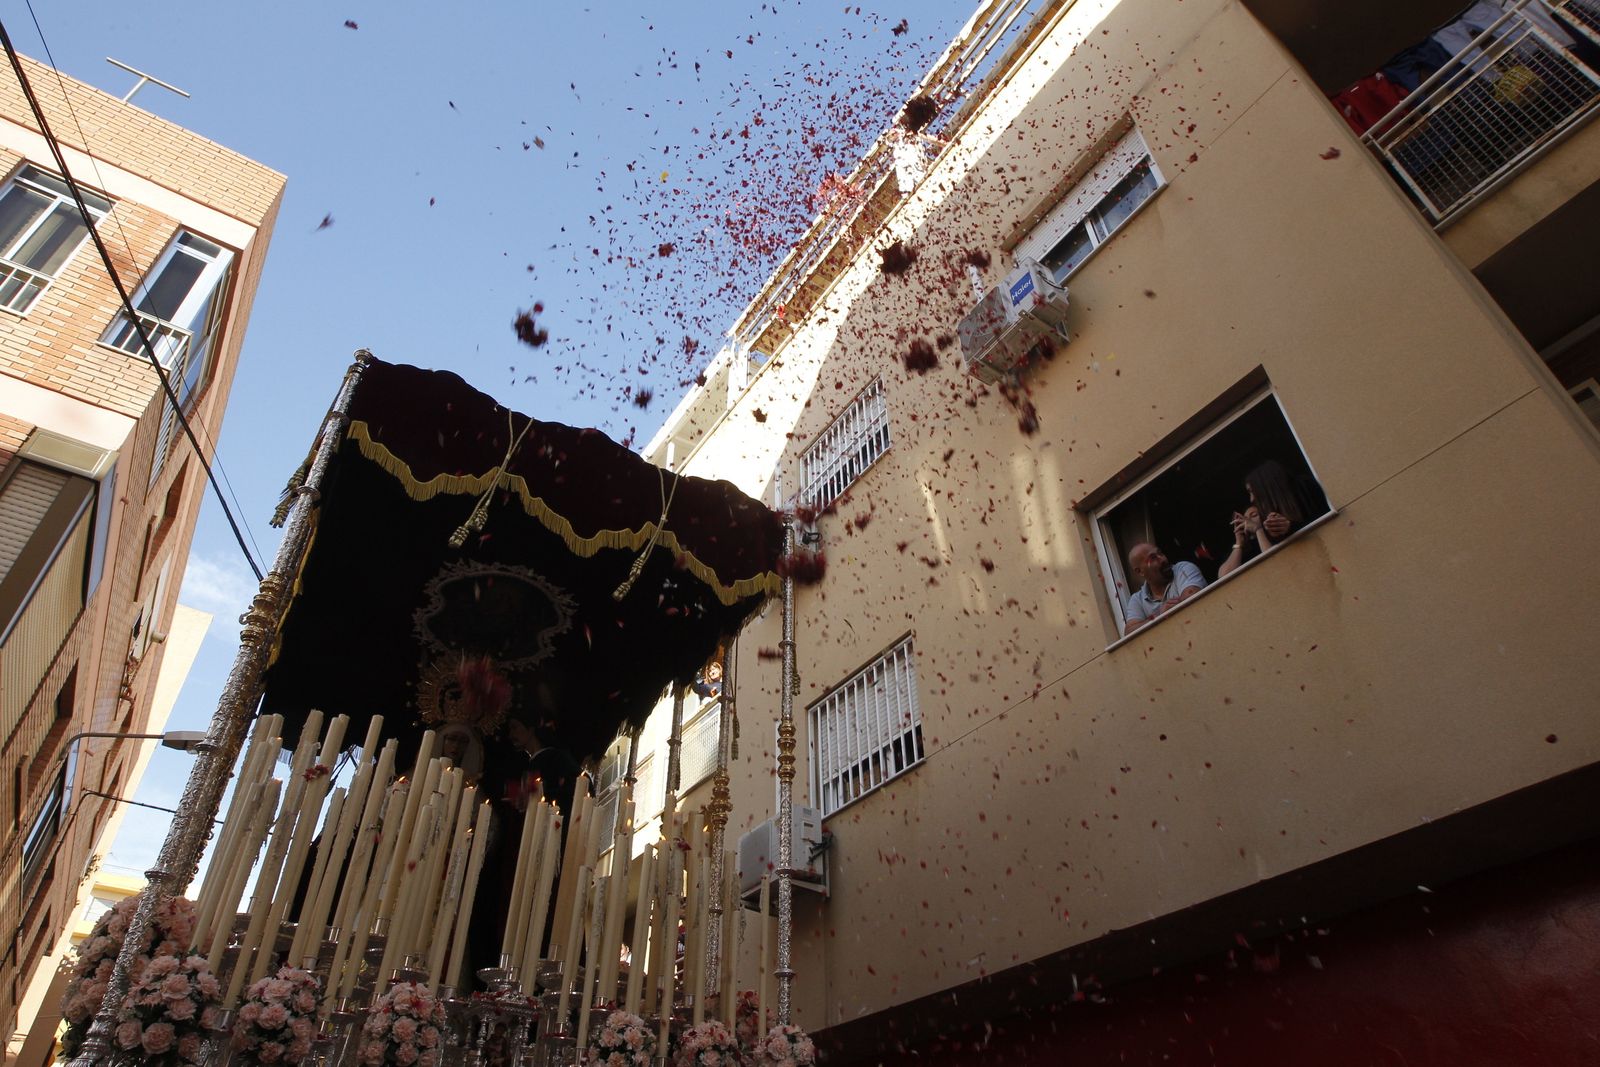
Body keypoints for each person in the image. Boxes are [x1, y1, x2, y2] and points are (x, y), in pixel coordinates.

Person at [1218, 460, 1308, 578]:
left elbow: (1274, 561)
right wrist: (1239, 543)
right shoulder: (1247, 548)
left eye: (1254, 515)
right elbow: (1224, 576)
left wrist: (1259, 529)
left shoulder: (1276, 531)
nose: (1248, 521)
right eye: (1245, 519)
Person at [1123, 542, 1206, 633]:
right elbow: (1129, 632)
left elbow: (1192, 601)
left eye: (1160, 553)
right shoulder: (1137, 599)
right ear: (1140, 571)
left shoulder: (1183, 569)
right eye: (1153, 558)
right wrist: (1160, 617)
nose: (1163, 559)